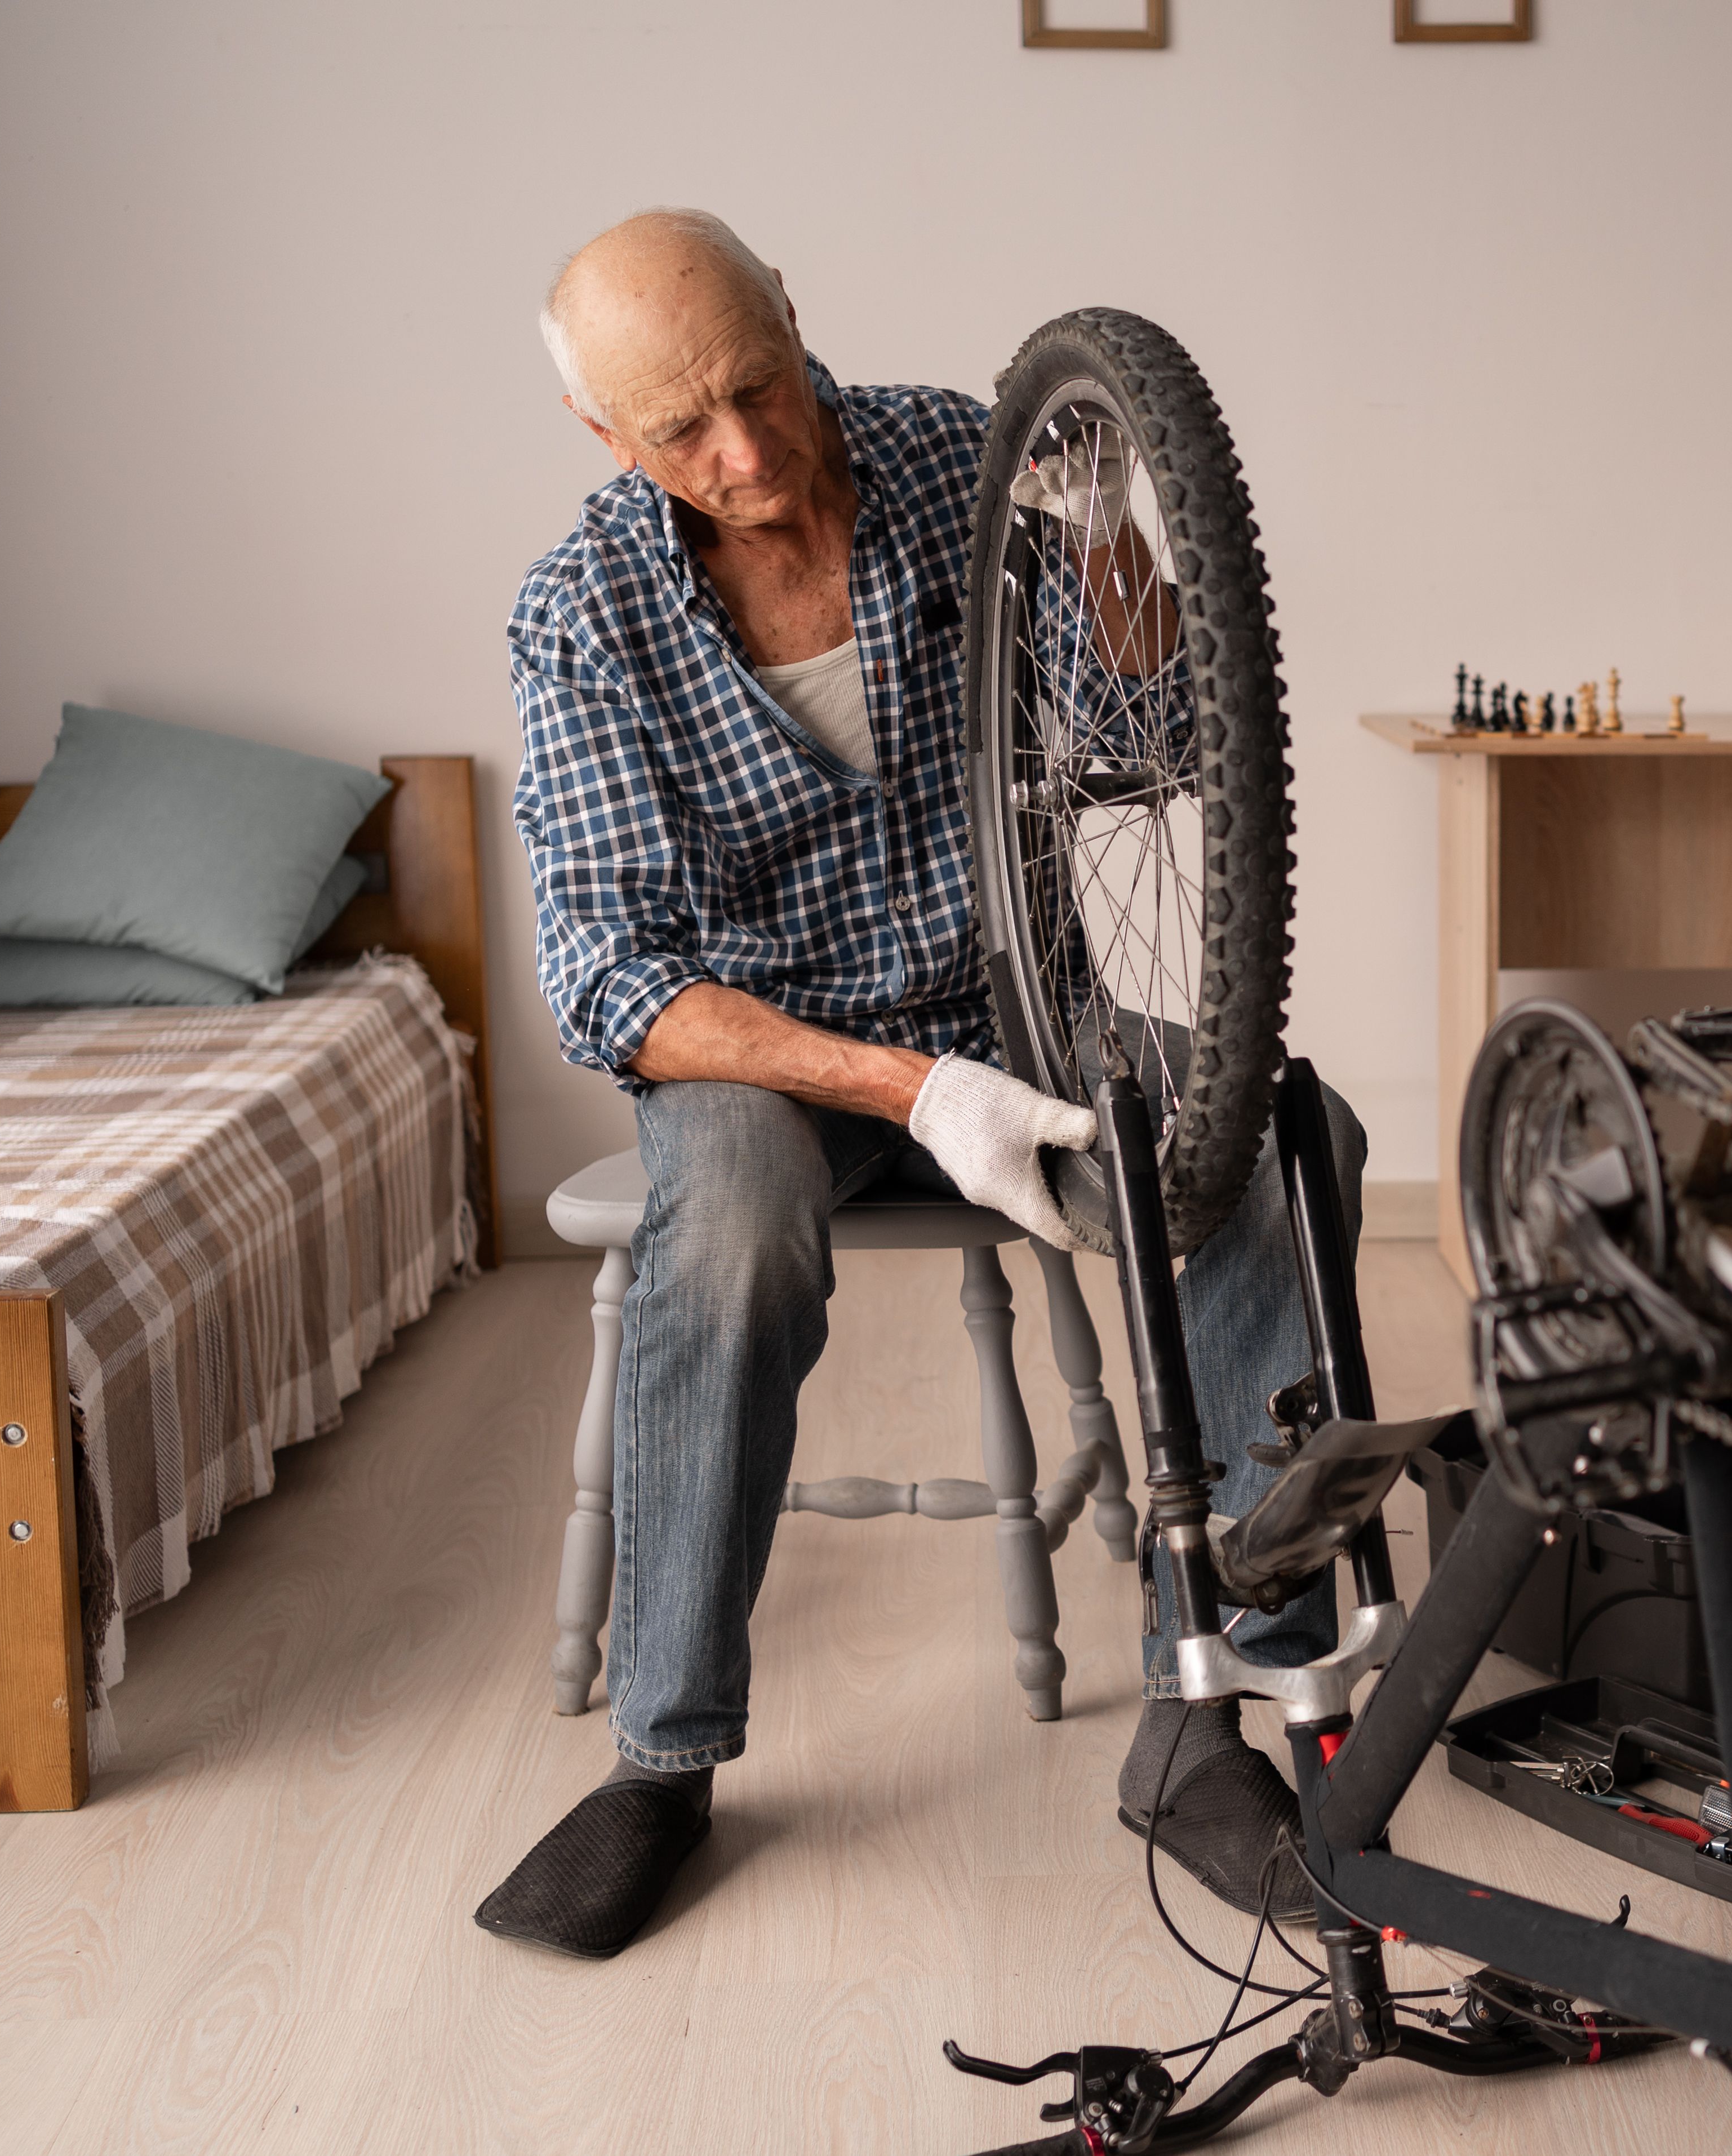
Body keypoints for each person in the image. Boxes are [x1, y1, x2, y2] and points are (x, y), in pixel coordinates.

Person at [477, 208, 1354, 1959]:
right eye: (681, 429)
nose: (742, 450)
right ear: (607, 439)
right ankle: (663, 1759)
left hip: (1017, 1008)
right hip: (776, 1059)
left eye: (758, 383)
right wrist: (905, 1088)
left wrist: (1110, 536)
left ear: (796, 318)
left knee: (1287, 1125)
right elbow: (614, 981)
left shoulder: (970, 453)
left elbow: (1159, 725)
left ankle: (1230, 1695)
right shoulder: (582, 613)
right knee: (722, 1229)